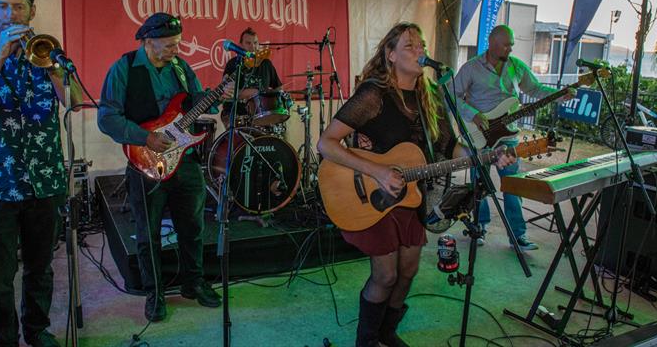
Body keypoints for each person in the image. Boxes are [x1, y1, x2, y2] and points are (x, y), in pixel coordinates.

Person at [318, 23, 513, 346]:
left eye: (421, 44)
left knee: (408, 272)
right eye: (409, 46)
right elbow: (327, 143)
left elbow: (450, 148)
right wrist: (378, 171)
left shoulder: (432, 97)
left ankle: (387, 333)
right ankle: (365, 341)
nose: (419, 50)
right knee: (386, 275)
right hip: (373, 195)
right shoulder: (374, 94)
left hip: (410, 197)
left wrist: (486, 155)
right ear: (390, 55)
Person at [0, 0, 83, 347]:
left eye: (19, 6)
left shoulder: (49, 53)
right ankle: (5, 339)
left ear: (32, 10)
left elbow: (73, 102)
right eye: (2, 6)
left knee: (40, 268)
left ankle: (37, 330)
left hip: (44, 181)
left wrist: (56, 69)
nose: (11, 13)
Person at [97, 12, 233, 322]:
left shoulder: (181, 69)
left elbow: (197, 104)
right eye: (170, 44)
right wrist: (145, 136)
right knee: (148, 233)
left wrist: (216, 97)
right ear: (147, 41)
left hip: (184, 161)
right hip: (145, 162)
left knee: (193, 229)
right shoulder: (125, 68)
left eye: (178, 43)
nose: (176, 49)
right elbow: (107, 117)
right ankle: (154, 292)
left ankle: (193, 283)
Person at [454, 24, 574, 250]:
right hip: (479, 135)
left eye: (511, 45)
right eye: (506, 44)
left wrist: (560, 95)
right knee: (480, 185)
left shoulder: (517, 67)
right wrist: (474, 114)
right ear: (492, 42)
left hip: (508, 136)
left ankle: (517, 236)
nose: (510, 48)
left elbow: (536, 90)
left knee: (513, 185)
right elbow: (452, 95)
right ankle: (479, 228)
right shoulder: (471, 68)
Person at [220, 27, 282, 127]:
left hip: (261, 114)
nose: (253, 46)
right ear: (240, 45)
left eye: (256, 43)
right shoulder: (232, 64)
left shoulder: (266, 64)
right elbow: (225, 92)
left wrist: (272, 98)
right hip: (236, 113)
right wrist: (246, 93)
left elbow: (278, 87)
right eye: (248, 43)